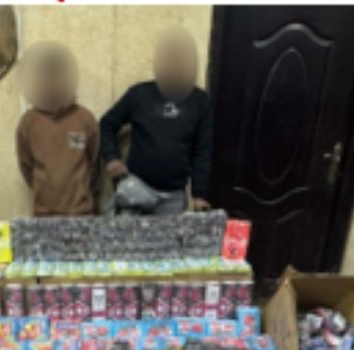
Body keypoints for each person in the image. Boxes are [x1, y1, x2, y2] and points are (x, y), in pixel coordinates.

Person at [100, 26, 213, 215]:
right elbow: (107, 124)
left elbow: (203, 152)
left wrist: (199, 195)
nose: (175, 65)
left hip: (174, 197)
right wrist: (112, 157)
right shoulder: (139, 94)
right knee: (126, 235)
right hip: (136, 188)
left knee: (169, 237)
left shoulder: (201, 102)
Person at [16, 41, 100, 216]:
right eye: (46, 76)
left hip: (81, 214)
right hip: (44, 215)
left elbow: (94, 163)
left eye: (56, 75)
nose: (51, 81)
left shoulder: (84, 118)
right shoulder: (28, 122)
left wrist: (81, 196)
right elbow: (26, 166)